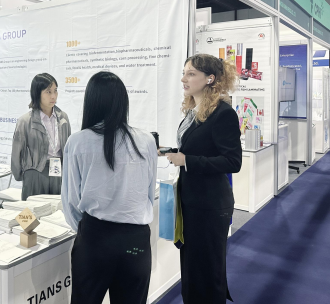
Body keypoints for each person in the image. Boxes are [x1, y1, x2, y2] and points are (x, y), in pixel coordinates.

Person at [62, 71, 158, 304]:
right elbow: (148, 193)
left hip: (95, 240)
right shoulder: (146, 140)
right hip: (135, 242)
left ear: (91, 101)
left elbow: (71, 201)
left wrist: (87, 230)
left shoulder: (77, 142)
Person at [165, 54, 241, 304]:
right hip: (192, 202)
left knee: (208, 274)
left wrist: (187, 160)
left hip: (210, 206)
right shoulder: (193, 111)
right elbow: (198, 148)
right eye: (184, 73)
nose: (183, 79)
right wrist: (170, 153)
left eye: (191, 74)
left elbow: (232, 162)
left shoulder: (223, 113)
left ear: (210, 79)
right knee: (192, 271)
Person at [11, 73, 71, 200]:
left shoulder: (63, 118)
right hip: (35, 173)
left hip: (58, 171)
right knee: (33, 210)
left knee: (58, 209)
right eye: (48, 92)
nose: (53, 96)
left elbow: (68, 149)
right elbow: (16, 153)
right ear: (37, 93)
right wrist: (23, 175)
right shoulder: (25, 121)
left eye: (55, 91)